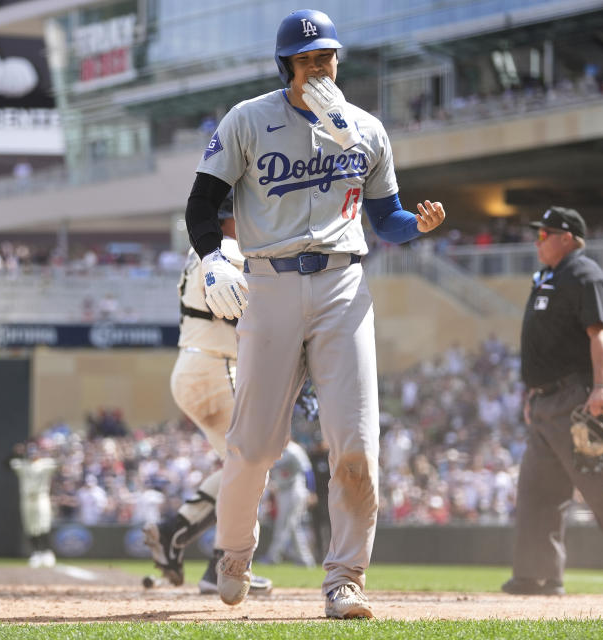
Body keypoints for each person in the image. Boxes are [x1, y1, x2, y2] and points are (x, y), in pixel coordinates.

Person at [185, 8, 446, 619]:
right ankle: (234, 554)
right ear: (286, 67)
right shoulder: (248, 119)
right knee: (251, 446)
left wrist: (419, 226)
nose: (318, 68)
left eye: (326, 57)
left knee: (355, 443)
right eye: (306, 60)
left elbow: (386, 219)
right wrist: (212, 260)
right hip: (268, 285)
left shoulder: (364, 129)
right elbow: (201, 202)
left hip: (342, 284)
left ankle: (346, 578)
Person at [502, 206, 603, 598]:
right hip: (545, 402)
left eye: (545, 234)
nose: (538, 240)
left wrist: (601, 387)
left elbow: (600, 335)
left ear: (568, 238)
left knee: (602, 483)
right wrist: (533, 393)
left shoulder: (584, 274)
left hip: (577, 397)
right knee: (537, 491)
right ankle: (537, 575)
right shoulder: (549, 277)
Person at [143, 194, 273, 598]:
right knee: (253, 463)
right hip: (217, 366)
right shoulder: (229, 249)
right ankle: (215, 558)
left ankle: (181, 537)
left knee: (243, 463)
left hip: (193, 366)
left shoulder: (201, 252)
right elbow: (261, 309)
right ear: (229, 219)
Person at [258, 440, 317, 567]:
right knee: (293, 526)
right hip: (282, 491)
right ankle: (306, 560)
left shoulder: (294, 450)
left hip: (295, 490)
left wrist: (311, 490)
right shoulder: (272, 448)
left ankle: (273, 556)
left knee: (283, 524)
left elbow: (307, 471)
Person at [8, 441, 58, 568]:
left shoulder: (45, 464)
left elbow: (59, 463)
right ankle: (36, 552)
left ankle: (47, 551)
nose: (32, 455)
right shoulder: (22, 465)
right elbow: (6, 464)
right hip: (27, 498)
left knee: (44, 524)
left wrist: (50, 450)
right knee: (30, 527)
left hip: (41, 497)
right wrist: (15, 452)